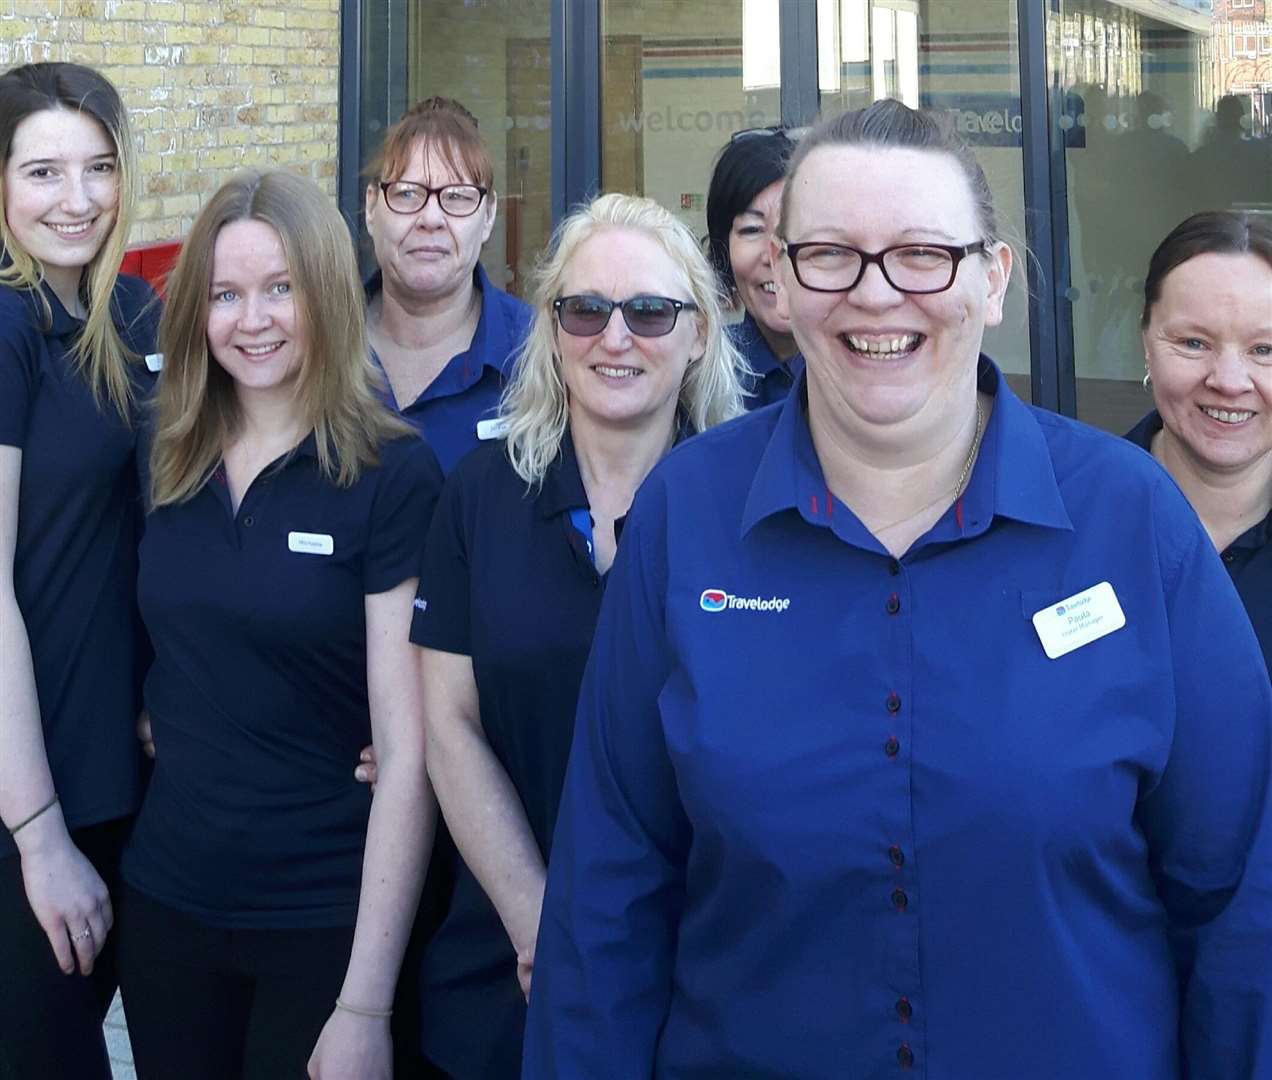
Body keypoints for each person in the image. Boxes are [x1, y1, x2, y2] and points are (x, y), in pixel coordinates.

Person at [524, 100, 1272, 1078]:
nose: (877, 296)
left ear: (994, 279)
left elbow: (1242, 906)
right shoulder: (686, 521)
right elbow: (606, 906)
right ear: (780, 284)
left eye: (925, 253)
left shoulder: (1135, 523)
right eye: (830, 253)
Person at [398, 192, 744, 1077]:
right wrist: (543, 926)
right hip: (501, 972)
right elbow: (450, 726)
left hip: (710, 975)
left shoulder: (751, 512)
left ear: (700, 333)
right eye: (585, 310)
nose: (615, 337)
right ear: (552, 330)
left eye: (651, 311)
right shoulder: (478, 495)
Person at [115, 169, 442, 1080]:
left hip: (321, 919)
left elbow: (406, 750)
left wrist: (366, 1001)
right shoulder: (163, 452)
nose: (250, 320)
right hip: (168, 909)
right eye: (224, 294)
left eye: (278, 289)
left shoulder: (391, 475)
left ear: (326, 296)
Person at [0, 62, 159, 1080]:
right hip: (31, 787)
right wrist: (36, 830)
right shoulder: (7, 324)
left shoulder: (134, 318)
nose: (78, 200)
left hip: (125, 778)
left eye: (98, 168)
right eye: (43, 172)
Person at [1127, 210, 1272, 670]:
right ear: (1146, 342)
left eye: (1264, 350)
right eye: (1193, 343)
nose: (1230, 381)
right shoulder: (1071, 517)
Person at [363, 96, 532, 473]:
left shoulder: (537, 355)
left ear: (488, 216)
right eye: (408, 193)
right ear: (372, 207)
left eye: (456, 197)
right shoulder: (316, 347)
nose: (431, 218)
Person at [705, 126, 802, 408]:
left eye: (793, 227)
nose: (773, 253)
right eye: (751, 230)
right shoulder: (701, 377)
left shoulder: (864, 366)